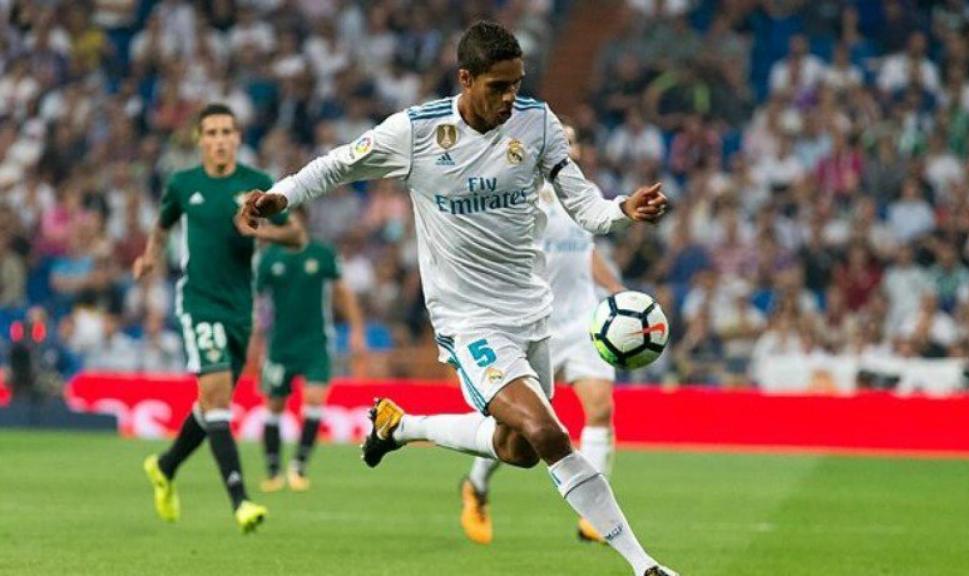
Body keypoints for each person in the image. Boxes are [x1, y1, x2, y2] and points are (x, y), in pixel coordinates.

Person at [238, 22, 676, 576]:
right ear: (465, 79)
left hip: (530, 311)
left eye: (516, 84)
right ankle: (645, 566)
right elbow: (339, 163)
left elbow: (583, 205)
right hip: (468, 321)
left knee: (518, 450)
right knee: (549, 433)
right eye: (498, 86)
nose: (510, 97)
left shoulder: (538, 124)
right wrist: (281, 194)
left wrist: (622, 210)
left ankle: (400, 427)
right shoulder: (417, 133)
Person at [136, 103, 304, 533]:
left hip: (240, 310)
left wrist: (261, 230)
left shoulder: (255, 183)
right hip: (199, 303)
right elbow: (162, 224)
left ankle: (165, 467)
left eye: (227, 131)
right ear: (200, 139)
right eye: (211, 132)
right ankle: (240, 501)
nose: (220, 139)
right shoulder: (183, 184)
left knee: (211, 403)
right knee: (217, 399)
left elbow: (297, 235)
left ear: (238, 137)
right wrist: (150, 256)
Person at [458, 123, 625, 545]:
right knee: (521, 429)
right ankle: (476, 485)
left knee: (600, 408)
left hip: (583, 321)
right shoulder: (519, 194)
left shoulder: (585, 194)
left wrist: (616, 289)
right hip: (536, 322)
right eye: (559, 140)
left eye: (573, 140)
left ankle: (594, 516)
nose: (568, 146)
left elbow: (585, 253)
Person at [254, 207, 366, 492]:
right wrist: (253, 340)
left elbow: (343, 293)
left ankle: (299, 466)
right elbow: (256, 302)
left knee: (315, 398)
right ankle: (273, 470)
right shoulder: (269, 258)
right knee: (274, 404)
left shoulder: (322, 253)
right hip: (280, 344)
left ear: (304, 221)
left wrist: (356, 329)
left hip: (316, 341)